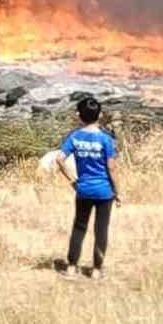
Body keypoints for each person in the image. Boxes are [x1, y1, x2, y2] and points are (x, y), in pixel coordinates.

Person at [57, 95, 118, 279]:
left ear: (79, 116)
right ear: (99, 115)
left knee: (79, 227)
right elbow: (111, 168)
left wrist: (73, 181)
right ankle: (97, 270)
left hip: (83, 189)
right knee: (101, 229)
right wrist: (117, 191)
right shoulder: (106, 140)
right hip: (104, 190)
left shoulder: (75, 137)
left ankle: (71, 267)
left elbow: (59, 159)